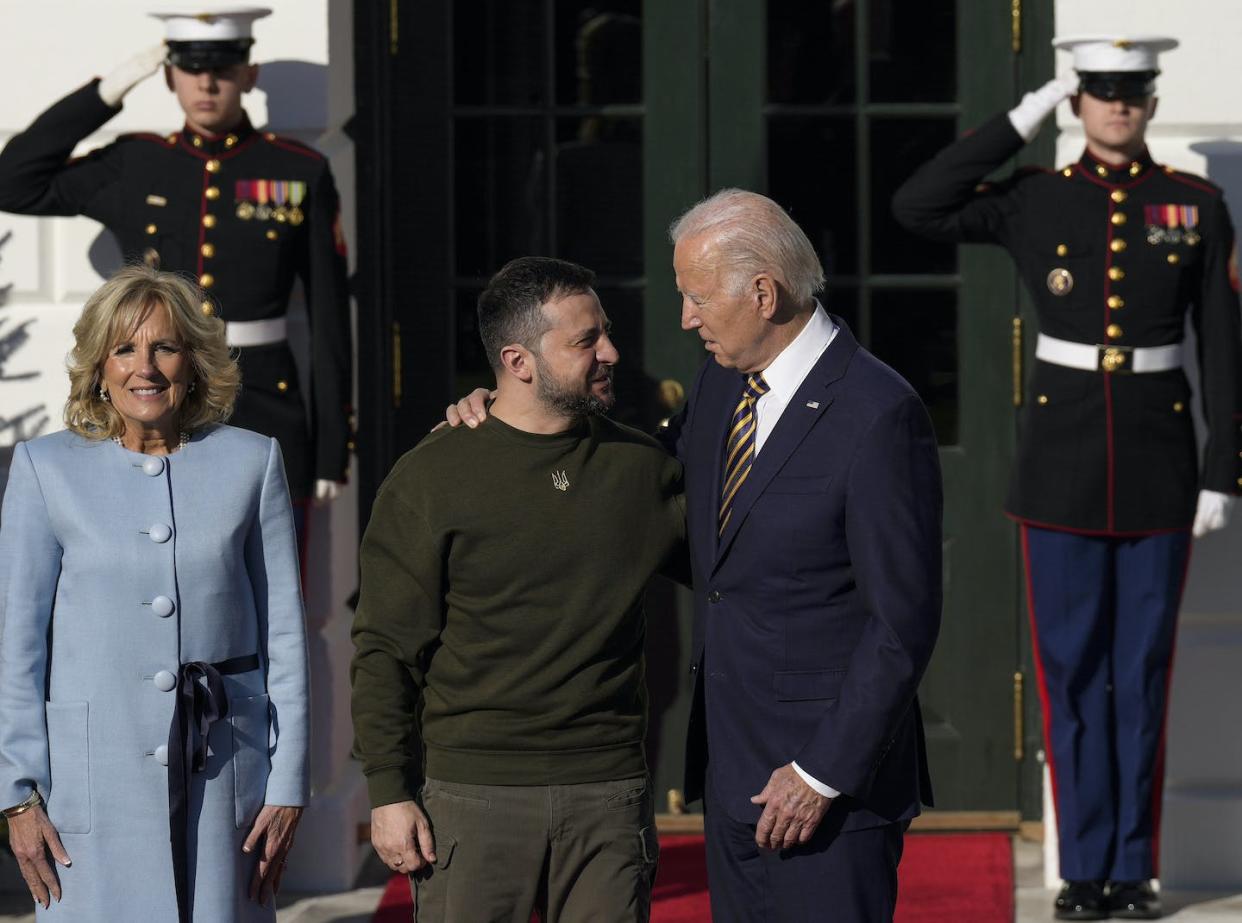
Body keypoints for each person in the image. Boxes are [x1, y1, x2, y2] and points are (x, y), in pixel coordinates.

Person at [448, 191, 943, 923]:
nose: (685, 317)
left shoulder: (878, 412)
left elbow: (902, 623)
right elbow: (646, 496)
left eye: (696, 296)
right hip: (735, 771)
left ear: (764, 293)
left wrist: (820, 772)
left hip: (825, 790)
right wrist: (512, 414)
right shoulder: (722, 382)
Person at [892, 35, 1242, 921]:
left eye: (1131, 92)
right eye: (1099, 91)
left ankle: (1133, 871)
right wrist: (1025, 111)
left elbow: (1224, 350)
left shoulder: (1194, 205)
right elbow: (918, 204)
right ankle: (1083, 870)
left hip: (1162, 468)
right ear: (1079, 101)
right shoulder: (1036, 198)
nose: (1117, 105)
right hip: (1059, 473)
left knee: (1144, 672)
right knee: (1072, 674)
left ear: (1152, 103)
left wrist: (1221, 471)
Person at [350, 257, 686, 922]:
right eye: (586, 340)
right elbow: (384, 646)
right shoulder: (431, 476)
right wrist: (388, 791)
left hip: (608, 794)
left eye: (605, 333)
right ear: (518, 360)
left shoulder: (642, 468)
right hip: (471, 797)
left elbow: (743, 574)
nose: (611, 352)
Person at [0, 265, 310, 921]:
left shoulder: (252, 463)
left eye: (165, 346)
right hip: (91, 788)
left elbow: (285, 633)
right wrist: (17, 794)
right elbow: (14, 645)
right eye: (124, 348)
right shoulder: (45, 468)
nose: (146, 367)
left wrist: (287, 784)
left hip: (227, 777)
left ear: (193, 359)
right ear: (99, 366)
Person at [0, 6, 352, 524]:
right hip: (151, 406)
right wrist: (108, 91)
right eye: (190, 68)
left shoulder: (296, 170)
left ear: (249, 75)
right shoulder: (135, 164)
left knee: (274, 581)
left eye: (224, 67)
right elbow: (14, 182)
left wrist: (330, 448)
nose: (207, 82)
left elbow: (330, 318)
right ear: (169, 76)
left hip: (264, 405)